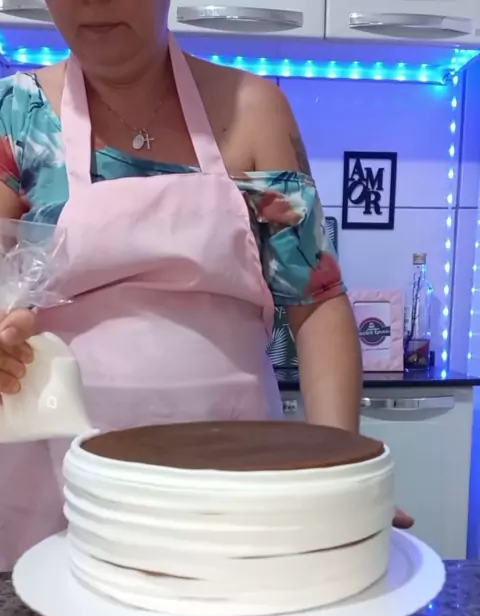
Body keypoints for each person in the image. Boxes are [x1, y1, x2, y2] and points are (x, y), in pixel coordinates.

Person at [0, 0, 412, 571]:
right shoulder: (15, 114)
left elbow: (315, 303)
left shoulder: (253, 109)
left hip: (234, 469)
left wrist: (340, 473)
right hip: (66, 480)